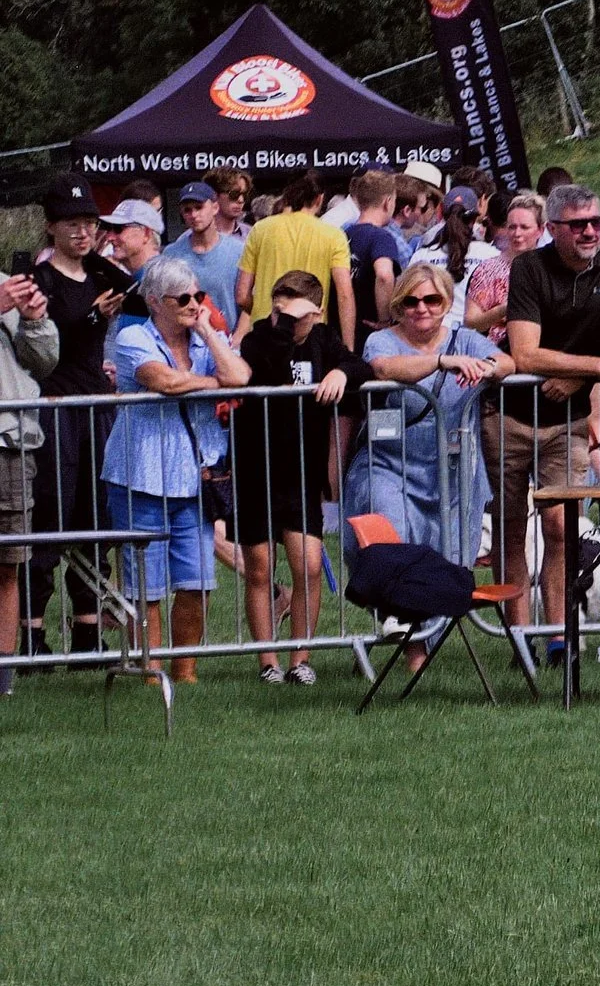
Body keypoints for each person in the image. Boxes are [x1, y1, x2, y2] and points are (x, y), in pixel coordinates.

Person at [492, 184, 600, 639]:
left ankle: (560, 635)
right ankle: (519, 638)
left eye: (596, 222)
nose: (590, 232)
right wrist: (599, 367)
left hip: (569, 420)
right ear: (553, 229)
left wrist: (580, 379)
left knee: (561, 525)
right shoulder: (529, 267)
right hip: (508, 414)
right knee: (510, 526)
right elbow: (525, 353)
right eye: (578, 224)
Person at [348, 265, 513, 668]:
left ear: (446, 303)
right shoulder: (381, 340)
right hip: (389, 465)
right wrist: (441, 362)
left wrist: (488, 368)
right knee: (392, 545)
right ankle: (413, 649)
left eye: (432, 300)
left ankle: (421, 634)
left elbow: (507, 363)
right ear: (398, 305)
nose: (422, 308)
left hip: (451, 471)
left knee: (448, 557)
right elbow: (384, 369)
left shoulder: (465, 339)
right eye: (412, 301)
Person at [101, 256, 250, 683]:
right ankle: (150, 673)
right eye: (182, 299)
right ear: (154, 301)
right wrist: (214, 384)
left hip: (196, 479)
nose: (193, 304)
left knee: (196, 581)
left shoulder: (206, 339)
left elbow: (240, 376)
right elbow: (163, 381)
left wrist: (208, 331)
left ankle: (185, 673)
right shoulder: (133, 336)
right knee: (145, 587)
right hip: (140, 477)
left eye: (197, 295)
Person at [23, 178, 134, 662]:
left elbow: (140, 293)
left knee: (95, 515)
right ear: (51, 227)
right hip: (55, 407)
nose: (83, 232)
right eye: (72, 223)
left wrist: (109, 264)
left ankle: (89, 630)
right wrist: (91, 319)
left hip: (96, 405)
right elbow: (42, 346)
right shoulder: (40, 279)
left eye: (89, 223)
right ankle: (31, 633)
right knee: (50, 516)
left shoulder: (98, 273)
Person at [233, 270, 362, 683]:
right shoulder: (259, 338)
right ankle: (267, 662)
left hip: (301, 472)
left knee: (308, 566)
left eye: (295, 313)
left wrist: (341, 372)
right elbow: (268, 362)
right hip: (256, 468)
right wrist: (285, 324)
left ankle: (300, 659)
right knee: (259, 568)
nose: (284, 319)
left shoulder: (324, 340)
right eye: (278, 310)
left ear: (316, 313)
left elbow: (360, 365)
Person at [0, 272, 59, 695]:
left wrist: (35, 321)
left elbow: (43, 363)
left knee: (8, 564)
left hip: (11, 443)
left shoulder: (7, 283)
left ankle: (2, 678)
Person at [236, 170, 353, 337]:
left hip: (266, 331)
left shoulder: (260, 230)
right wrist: (348, 345)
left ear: (287, 196)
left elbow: (242, 296)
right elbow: (345, 295)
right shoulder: (334, 236)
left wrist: (262, 311)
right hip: (310, 331)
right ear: (319, 199)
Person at [411, 186, 499, 340]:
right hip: (479, 338)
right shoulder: (492, 255)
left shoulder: (421, 256)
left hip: (432, 338)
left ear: (442, 215)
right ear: (474, 219)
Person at [163, 182, 248, 331]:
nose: (194, 215)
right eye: (187, 210)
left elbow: (249, 302)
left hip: (227, 337)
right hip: (186, 337)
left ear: (215, 208)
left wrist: (238, 337)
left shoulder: (239, 251)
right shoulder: (171, 254)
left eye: (199, 207)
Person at [461, 190, 540, 346]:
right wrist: (502, 310)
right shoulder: (488, 270)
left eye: (524, 227)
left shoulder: (550, 267)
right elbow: (470, 322)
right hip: (497, 351)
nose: (517, 233)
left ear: (541, 230)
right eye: (512, 227)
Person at [343, 169, 402, 345]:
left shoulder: (344, 233)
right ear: (387, 202)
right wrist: (385, 320)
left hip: (344, 328)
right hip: (371, 331)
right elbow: (384, 275)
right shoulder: (381, 237)